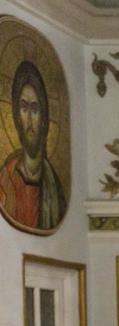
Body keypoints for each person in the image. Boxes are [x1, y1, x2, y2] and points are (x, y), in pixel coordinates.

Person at [0, 61, 67, 232]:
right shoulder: (6, 179)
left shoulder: (54, 185)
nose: (29, 119)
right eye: (24, 108)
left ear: (44, 119)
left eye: (35, 109)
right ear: (16, 115)